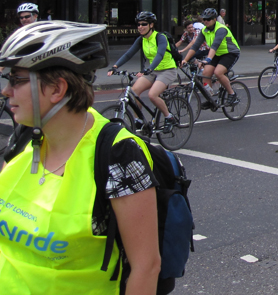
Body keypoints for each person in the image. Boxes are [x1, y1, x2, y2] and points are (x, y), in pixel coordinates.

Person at [0, 21, 160, 293]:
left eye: (16, 80)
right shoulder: (25, 137)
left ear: (56, 90)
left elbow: (146, 266)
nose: (6, 91)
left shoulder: (117, 153)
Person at [107, 12, 178, 128]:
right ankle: (139, 119)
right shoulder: (141, 39)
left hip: (167, 70)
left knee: (152, 95)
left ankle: (169, 117)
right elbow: (128, 54)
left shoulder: (160, 37)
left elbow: (159, 55)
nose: (140, 27)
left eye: (143, 24)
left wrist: (149, 69)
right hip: (152, 71)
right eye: (138, 24)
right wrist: (115, 66)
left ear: (151, 25)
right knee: (134, 92)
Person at [182, 7, 241, 104]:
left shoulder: (221, 29)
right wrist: (185, 60)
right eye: (204, 19)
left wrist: (208, 59)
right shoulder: (204, 30)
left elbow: (215, 45)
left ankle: (232, 94)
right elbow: (195, 46)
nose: (205, 21)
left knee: (218, 72)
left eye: (208, 19)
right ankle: (211, 98)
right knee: (205, 73)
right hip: (217, 53)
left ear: (214, 19)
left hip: (230, 53)